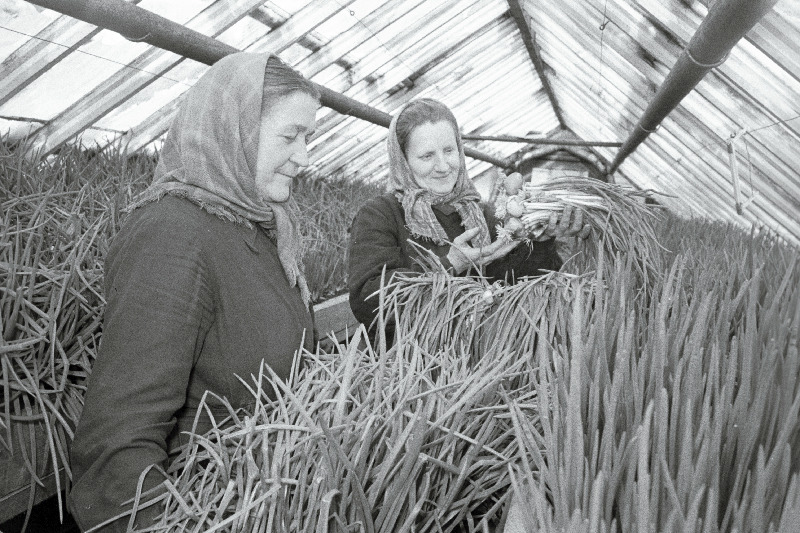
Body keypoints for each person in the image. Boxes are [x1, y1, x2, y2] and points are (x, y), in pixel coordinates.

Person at [67, 53, 319, 532]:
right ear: (234, 128)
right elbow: (117, 443)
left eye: (308, 137)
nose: (304, 158)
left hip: (273, 503)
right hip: (210, 508)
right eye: (290, 136)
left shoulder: (264, 227)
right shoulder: (172, 233)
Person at [348, 98, 588, 336]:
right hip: (412, 366)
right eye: (427, 156)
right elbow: (368, 302)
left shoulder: (480, 213)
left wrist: (540, 242)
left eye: (449, 151)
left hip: (484, 361)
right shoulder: (380, 215)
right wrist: (448, 265)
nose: (443, 166)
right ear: (403, 161)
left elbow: (518, 283)